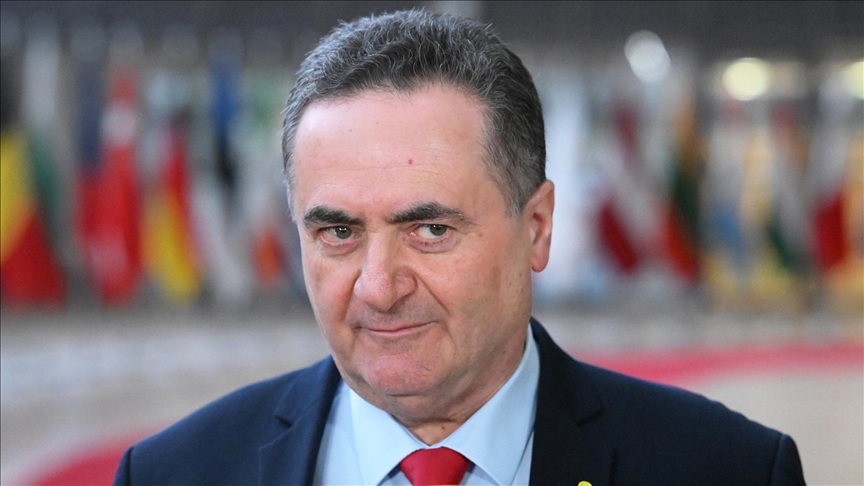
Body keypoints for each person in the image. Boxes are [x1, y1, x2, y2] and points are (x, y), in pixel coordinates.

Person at [114, 10, 805, 486]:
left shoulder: (728, 470)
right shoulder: (174, 474)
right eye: (338, 233)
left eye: (431, 230)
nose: (378, 287)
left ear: (537, 228)